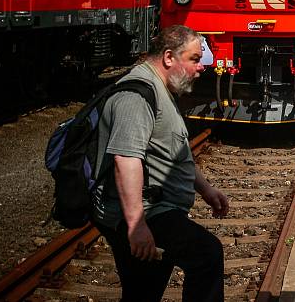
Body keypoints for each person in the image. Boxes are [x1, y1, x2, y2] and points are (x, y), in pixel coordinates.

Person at [92, 25, 229, 302]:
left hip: (158, 208)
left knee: (144, 290)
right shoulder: (137, 95)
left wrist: (205, 190)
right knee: (207, 254)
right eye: (194, 59)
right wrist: (136, 225)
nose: (201, 67)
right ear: (169, 57)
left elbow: (173, 151)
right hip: (147, 212)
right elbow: (125, 159)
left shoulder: (161, 88)